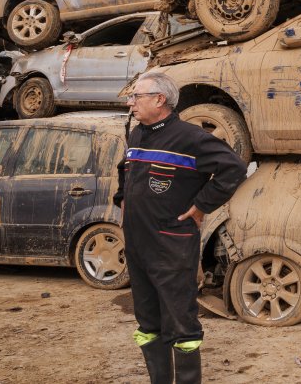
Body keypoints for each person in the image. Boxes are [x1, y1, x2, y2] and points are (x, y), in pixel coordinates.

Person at [114, 71, 246, 384]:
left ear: (159, 100)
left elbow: (233, 168)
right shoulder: (137, 135)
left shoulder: (190, 137)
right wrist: (122, 198)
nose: (131, 102)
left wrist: (202, 206)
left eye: (137, 96)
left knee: (181, 324)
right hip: (137, 246)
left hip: (171, 246)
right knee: (147, 323)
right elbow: (125, 168)